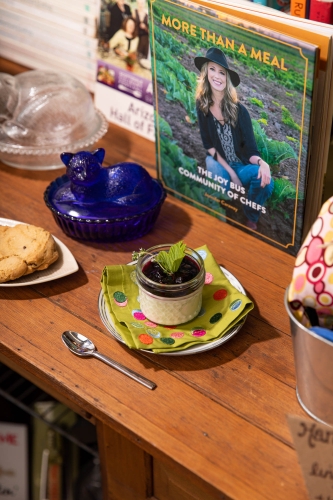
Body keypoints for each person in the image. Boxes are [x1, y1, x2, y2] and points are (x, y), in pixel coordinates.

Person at [195, 47, 274, 231]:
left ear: (227, 78)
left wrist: (263, 164)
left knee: (265, 182)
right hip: (217, 161)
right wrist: (231, 174)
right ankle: (222, 213)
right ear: (206, 73)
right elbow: (209, 146)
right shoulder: (202, 105)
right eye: (212, 70)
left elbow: (251, 151)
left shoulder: (240, 111)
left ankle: (250, 215)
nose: (217, 76)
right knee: (223, 184)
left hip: (241, 165)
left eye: (222, 72)